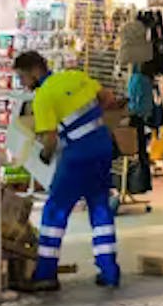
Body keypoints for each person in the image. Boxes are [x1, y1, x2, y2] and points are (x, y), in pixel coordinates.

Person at [12, 51, 120, 291]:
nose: (22, 84)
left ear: (34, 72)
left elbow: (49, 139)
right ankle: (109, 271)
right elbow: (107, 98)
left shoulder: (43, 97)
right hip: (103, 147)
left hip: (77, 156)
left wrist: (44, 156)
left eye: (22, 77)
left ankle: (46, 273)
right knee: (100, 207)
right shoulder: (75, 76)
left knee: (54, 212)